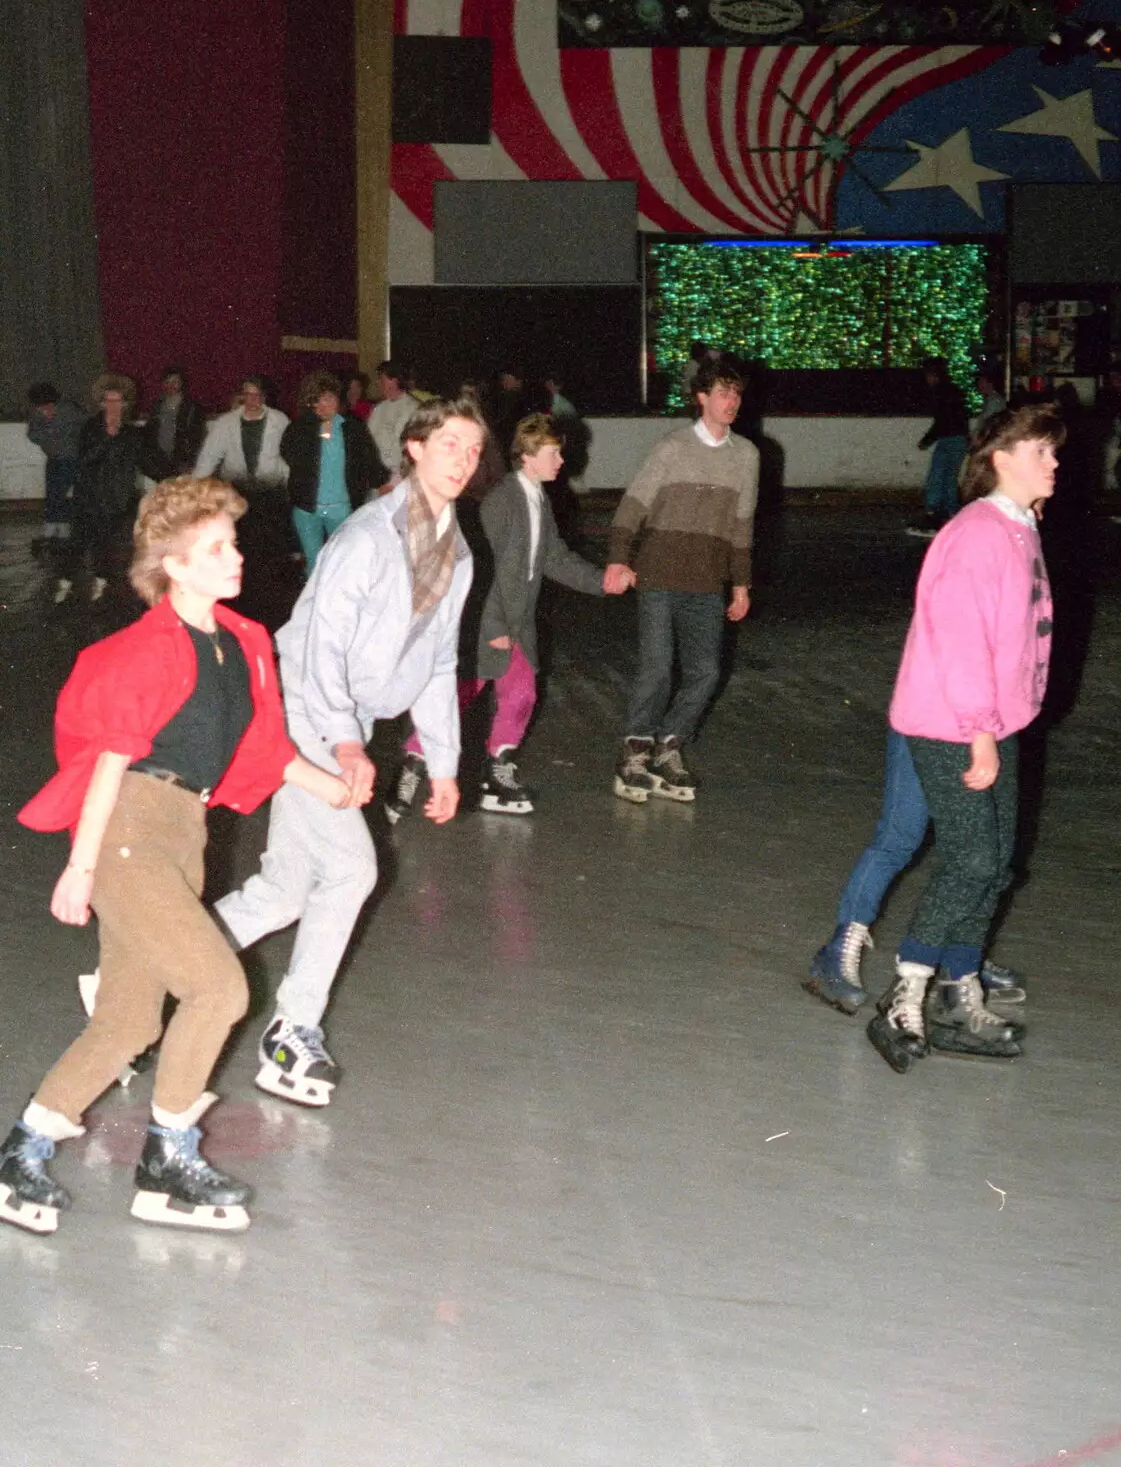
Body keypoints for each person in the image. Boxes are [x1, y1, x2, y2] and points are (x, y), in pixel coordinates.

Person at [0, 477, 355, 1237]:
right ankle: (168, 1158)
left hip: (184, 834)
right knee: (220, 990)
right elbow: (107, 762)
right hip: (129, 828)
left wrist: (330, 787)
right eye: (217, 548)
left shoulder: (245, 643)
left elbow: (262, 747)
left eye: (232, 542)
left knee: (128, 1022)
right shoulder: (143, 649)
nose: (235, 558)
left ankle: (24, 1150)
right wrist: (82, 865)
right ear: (175, 566)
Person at [212, 396, 485, 1107]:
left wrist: (446, 762)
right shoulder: (367, 536)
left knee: (285, 888)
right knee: (354, 869)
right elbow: (320, 649)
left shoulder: (456, 553)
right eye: (450, 444)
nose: (463, 459)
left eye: (474, 450)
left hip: (344, 717)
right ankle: (290, 1032)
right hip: (302, 707)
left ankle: (143, 975)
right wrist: (341, 742)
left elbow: (434, 662)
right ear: (415, 449)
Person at [866, 402, 1065, 1072]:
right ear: (1001, 459)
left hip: (993, 721)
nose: (1054, 462)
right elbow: (958, 642)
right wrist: (980, 732)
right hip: (949, 721)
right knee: (973, 861)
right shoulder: (977, 533)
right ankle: (905, 991)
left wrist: (1003, 722)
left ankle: (959, 992)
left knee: (998, 861)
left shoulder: (1017, 528)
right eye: (1041, 451)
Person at [388, 413, 627, 821]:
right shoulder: (504, 500)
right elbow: (484, 567)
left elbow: (554, 558)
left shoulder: (538, 500)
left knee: (521, 695)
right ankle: (410, 768)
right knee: (454, 699)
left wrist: (600, 581)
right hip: (489, 624)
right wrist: (495, 625)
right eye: (553, 453)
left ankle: (498, 773)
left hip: (519, 627)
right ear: (529, 456)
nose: (560, 462)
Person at [606, 355, 759, 804]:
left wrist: (740, 584)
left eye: (736, 393)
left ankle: (669, 745)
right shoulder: (672, 447)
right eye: (723, 393)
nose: (732, 401)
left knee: (706, 671)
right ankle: (634, 750)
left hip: (707, 581)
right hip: (658, 576)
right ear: (701, 398)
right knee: (656, 667)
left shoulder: (746, 456)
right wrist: (618, 558)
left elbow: (742, 525)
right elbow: (632, 507)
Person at [802, 728, 1026, 1014]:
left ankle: (957, 960)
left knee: (977, 853)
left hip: (985, 730)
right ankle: (839, 948)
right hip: (928, 719)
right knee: (899, 838)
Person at [55, 373, 145, 605]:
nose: (113, 406)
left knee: (106, 545)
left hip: (115, 501)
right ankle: (65, 583)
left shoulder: (132, 434)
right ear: (101, 403)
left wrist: (175, 477)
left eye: (117, 401)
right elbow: (85, 459)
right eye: (108, 401)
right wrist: (107, 436)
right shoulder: (90, 428)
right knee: (78, 542)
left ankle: (101, 584)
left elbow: (147, 461)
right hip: (88, 497)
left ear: (125, 404)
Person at [281, 369, 381, 571]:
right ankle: (314, 601)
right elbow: (289, 455)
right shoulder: (299, 427)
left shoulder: (353, 427)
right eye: (315, 401)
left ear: (338, 398)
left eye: (327, 398)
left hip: (342, 507)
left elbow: (368, 459)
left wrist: (383, 482)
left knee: (342, 563)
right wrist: (316, 430)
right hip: (307, 507)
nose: (322, 405)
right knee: (314, 562)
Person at [906, 356, 970, 539]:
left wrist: (927, 440)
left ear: (932, 374)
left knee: (937, 475)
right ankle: (951, 513)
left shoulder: (940, 392)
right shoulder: (953, 390)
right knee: (949, 477)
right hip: (958, 438)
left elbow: (943, 420)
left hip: (949, 438)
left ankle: (934, 513)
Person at [192, 376, 288, 490]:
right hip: (235, 488)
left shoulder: (280, 420)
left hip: (271, 488)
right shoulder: (225, 422)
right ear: (242, 396)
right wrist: (195, 485)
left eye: (257, 394)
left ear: (264, 396)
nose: (252, 399)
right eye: (248, 394)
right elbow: (209, 455)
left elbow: (290, 456)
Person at [26, 381, 85, 549]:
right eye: (40, 407)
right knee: (52, 492)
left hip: (72, 458)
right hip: (54, 458)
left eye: (48, 405)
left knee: (60, 493)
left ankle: (63, 530)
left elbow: (85, 428)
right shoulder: (37, 414)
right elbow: (32, 434)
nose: (44, 410)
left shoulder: (70, 410)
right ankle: (53, 529)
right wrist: (45, 432)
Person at [142, 366, 207, 479]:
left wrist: (190, 462)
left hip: (181, 463)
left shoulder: (192, 408)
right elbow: (150, 433)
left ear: (181, 383)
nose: (171, 385)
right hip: (158, 462)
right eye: (167, 382)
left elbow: (197, 437)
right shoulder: (157, 406)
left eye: (175, 382)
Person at [367, 360, 419, 484]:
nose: (378, 383)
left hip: (399, 476)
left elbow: (407, 448)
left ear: (394, 380)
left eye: (381, 379)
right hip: (377, 475)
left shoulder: (412, 407)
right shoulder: (378, 409)